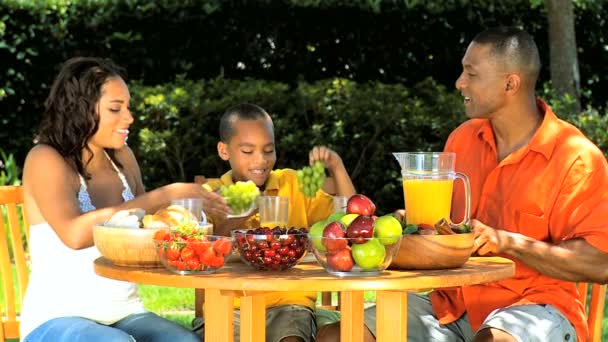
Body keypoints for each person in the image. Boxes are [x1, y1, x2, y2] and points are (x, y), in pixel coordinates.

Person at [317, 26, 608, 342]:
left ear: (511, 83)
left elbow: (600, 263)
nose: (459, 83)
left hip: (536, 304)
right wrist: (415, 231)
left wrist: (507, 242)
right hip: (452, 304)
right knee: (339, 336)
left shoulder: (575, 157)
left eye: (471, 74)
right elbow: (448, 231)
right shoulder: (463, 139)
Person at [20, 57, 229, 342]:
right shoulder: (45, 159)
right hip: (56, 317)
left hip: (125, 313)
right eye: (116, 109)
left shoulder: (122, 159)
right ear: (80, 108)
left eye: (127, 107)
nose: (129, 117)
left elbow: (148, 230)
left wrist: (194, 214)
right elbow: (73, 234)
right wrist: (165, 194)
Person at [194, 103, 356, 342]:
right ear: (224, 150)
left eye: (268, 150)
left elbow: (348, 220)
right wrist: (244, 212)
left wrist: (337, 167)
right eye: (248, 152)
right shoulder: (212, 193)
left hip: (290, 302)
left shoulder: (292, 184)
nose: (260, 161)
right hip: (230, 302)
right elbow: (204, 245)